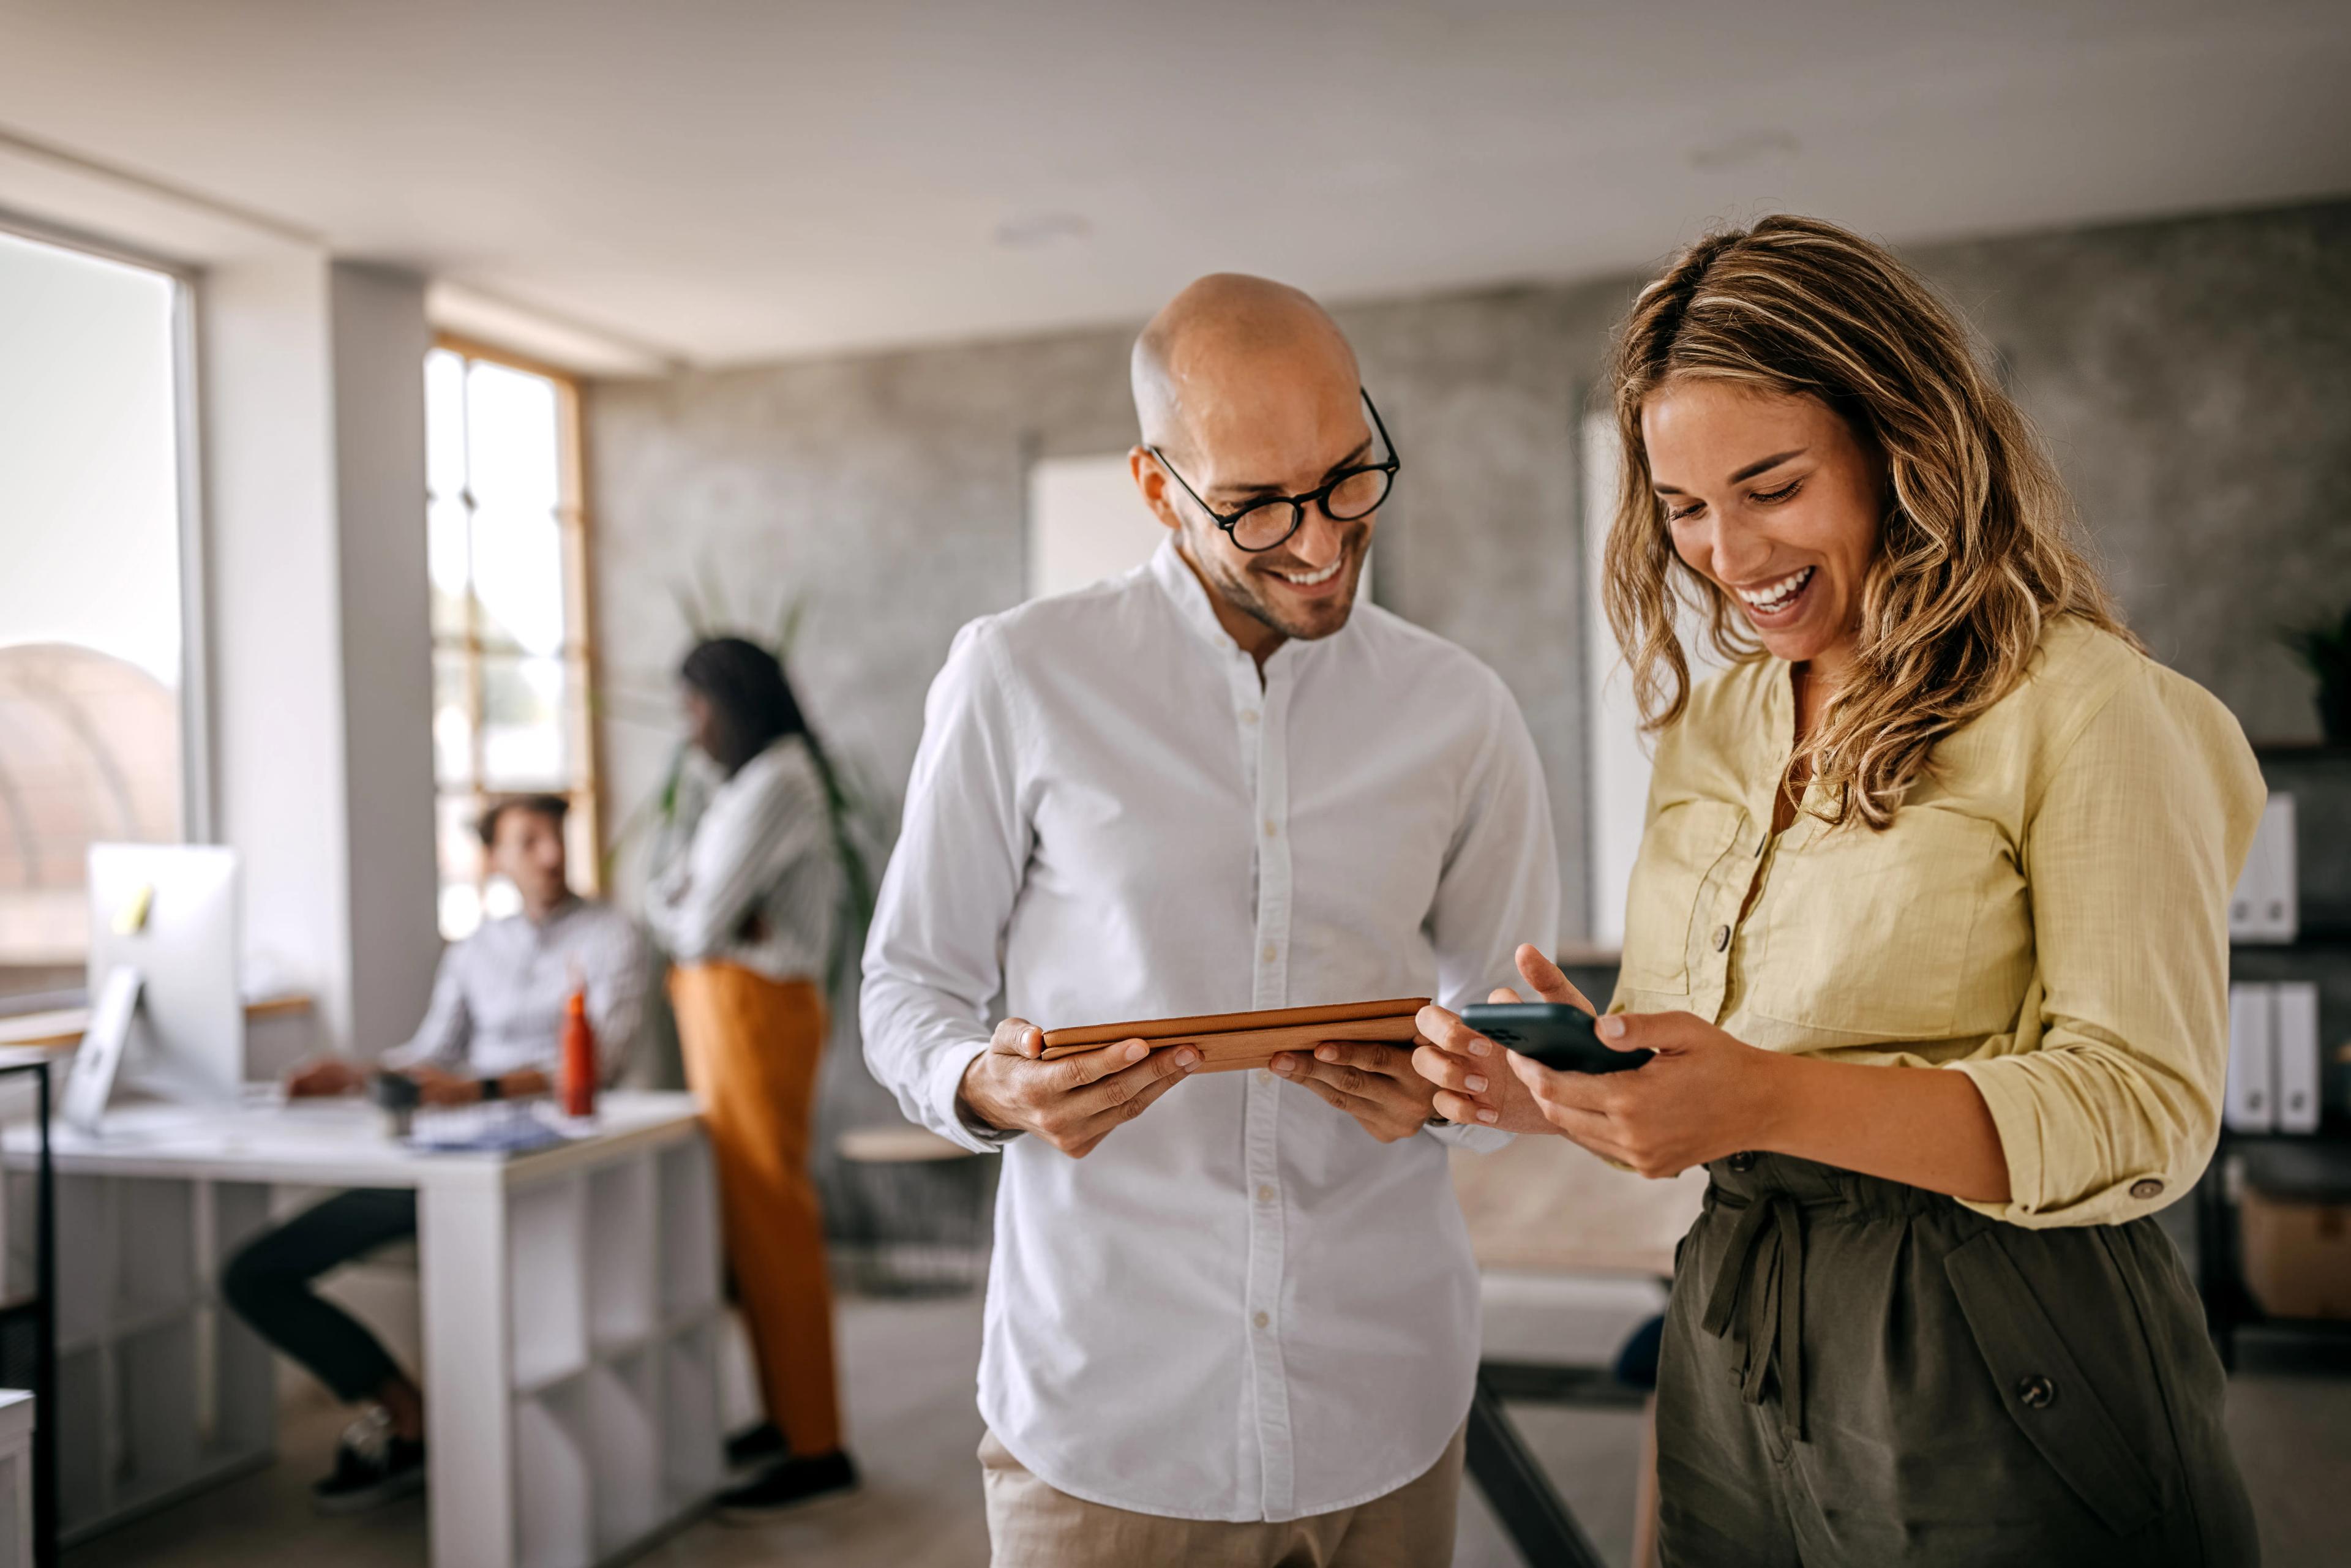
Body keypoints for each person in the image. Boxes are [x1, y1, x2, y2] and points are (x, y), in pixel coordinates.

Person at [1414, 215, 2263, 1566]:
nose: (1728, 554)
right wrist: (1553, 1088)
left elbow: (2144, 1105)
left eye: (1773, 486)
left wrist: (1763, 1095)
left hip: (2001, 1340)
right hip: (1736, 1329)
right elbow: (1704, 1054)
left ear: (1900, 444)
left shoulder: (2087, 706)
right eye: (1684, 507)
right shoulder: (1716, 726)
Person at [861, 274, 1560, 1567]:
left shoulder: (1461, 710)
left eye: (1350, 476)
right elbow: (908, 986)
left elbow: (1512, 1024)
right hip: (1110, 1410)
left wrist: (1473, 1084)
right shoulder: (1018, 675)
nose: (1318, 537)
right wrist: (986, 1082)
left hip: (1385, 1394)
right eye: (1255, 505)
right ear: (1154, 486)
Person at [223, 793, 645, 1512]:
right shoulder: (474, 949)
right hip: (449, 1158)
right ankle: (406, 1411)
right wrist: (357, 1075)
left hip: (546, 1164)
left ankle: (499, 1467)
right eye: (529, 839)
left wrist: (475, 1086)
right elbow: (430, 1055)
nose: (550, 853)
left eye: (556, 836)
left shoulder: (613, 936)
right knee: (255, 1273)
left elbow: (597, 1065)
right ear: (497, 858)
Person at [645, 636, 858, 1516]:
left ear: (732, 701)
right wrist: (691, 900)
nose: (691, 728)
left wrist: (685, 902)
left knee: (773, 1219)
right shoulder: (744, 785)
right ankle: (784, 1418)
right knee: (750, 1223)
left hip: (754, 1014)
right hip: (731, 1010)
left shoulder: (775, 781)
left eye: (697, 706)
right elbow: (685, 900)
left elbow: (689, 923)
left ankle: (817, 1443)